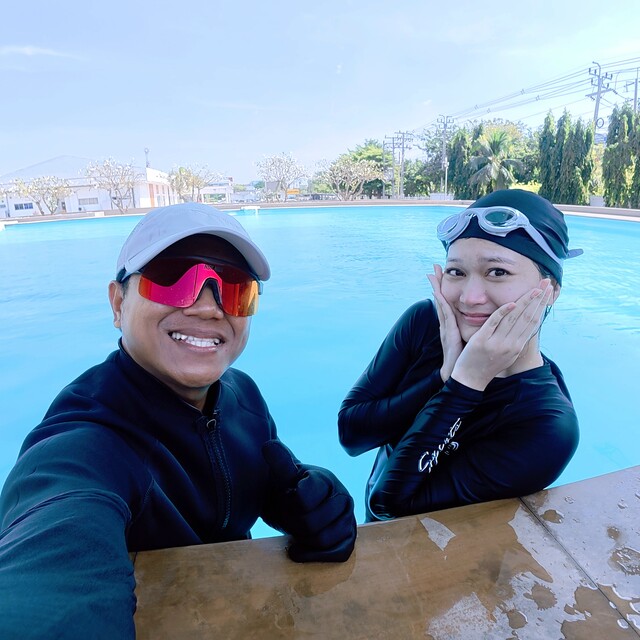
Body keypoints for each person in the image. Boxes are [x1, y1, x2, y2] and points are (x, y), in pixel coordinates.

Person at [0, 203, 357, 639]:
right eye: (172, 277)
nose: (208, 308)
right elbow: (53, 568)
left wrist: (310, 501)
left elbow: (263, 483)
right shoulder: (86, 443)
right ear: (118, 303)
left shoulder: (242, 395)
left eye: (235, 288)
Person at [338, 189, 581, 522]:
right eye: (456, 272)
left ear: (550, 290)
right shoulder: (425, 323)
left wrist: (464, 383)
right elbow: (351, 436)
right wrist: (441, 377)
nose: (469, 297)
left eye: (498, 272)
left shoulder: (546, 426)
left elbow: (390, 507)